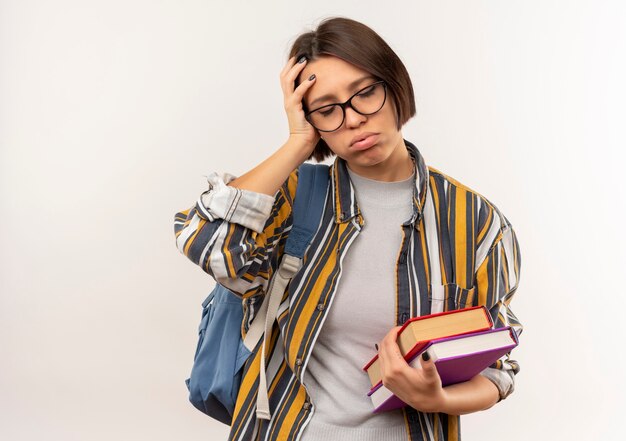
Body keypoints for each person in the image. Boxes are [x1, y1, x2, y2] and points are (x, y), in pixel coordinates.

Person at [174, 16, 522, 441]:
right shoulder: (295, 196)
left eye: (365, 93)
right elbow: (207, 245)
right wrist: (297, 143)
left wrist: (438, 400)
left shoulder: (475, 221)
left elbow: (497, 366)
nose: (353, 119)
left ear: (393, 87)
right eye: (327, 110)